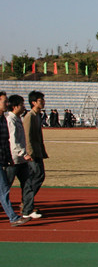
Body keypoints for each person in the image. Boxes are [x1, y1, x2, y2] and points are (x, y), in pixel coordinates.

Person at [0, 92, 29, 226]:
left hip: (3, 159)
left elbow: (5, 142)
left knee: (4, 188)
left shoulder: (3, 120)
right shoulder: (7, 120)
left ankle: (15, 215)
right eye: (5, 102)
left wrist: (8, 158)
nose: (8, 104)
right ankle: (13, 217)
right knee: (4, 189)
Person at [22, 91, 48, 219]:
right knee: (36, 177)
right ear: (33, 102)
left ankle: (27, 203)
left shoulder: (38, 115)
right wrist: (29, 152)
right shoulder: (30, 116)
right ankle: (27, 206)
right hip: (32, 153)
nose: (43, 102)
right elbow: (27, 136)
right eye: (40, 100)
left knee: (38, 177)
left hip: (37, 151)